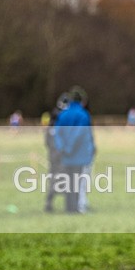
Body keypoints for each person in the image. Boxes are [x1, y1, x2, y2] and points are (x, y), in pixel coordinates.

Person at [53, 86, 95, 214]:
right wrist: (70, 147)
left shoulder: (63, 114)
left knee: (68, 180)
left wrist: (62, 148)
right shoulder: (83, 114)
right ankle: (76, 207)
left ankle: (68, 207)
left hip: (65, 155)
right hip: (79, 154)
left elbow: (57, 133)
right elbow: (80, 133)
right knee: (78, 181)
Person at [44, 92, 69, 212]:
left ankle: (50, 203)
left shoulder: (52, 121)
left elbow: (47, 141)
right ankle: (68, 204)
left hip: (53, 155)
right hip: (60, 155)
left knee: (55, 179)